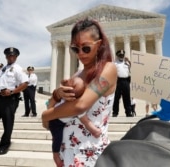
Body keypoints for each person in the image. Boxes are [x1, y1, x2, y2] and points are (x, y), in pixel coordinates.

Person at [42, 18, 117, 167]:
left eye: (86, 48)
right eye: (76, 49)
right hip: (66, 149)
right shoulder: (76, 75)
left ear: (100, 44)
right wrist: (57, 94)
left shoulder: (108, 69)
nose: (80, 54)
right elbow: (52, 108)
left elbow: (80, 105)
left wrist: (45, 116)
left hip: (89, 151)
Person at [43, 76, 102, 167]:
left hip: (57, 123)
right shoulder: (72, 105)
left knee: (57, 139)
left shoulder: (75, 107)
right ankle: (56, 155)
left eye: (70, 82)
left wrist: (94, 130)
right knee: (57, 139)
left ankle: (56, 154)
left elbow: (86, 122)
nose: (68, 80)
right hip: (56, 123)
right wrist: (95, 130)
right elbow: (86, 122)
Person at [112, 50, 134, 117]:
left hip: (126, 81)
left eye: (122, 55)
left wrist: (129, 61)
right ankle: (115, 112)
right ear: (117, 56)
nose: (122, 56)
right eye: (120, 55)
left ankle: (128, 112)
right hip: (118, 81)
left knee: (127, 98)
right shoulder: (115, 63)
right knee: (116, 97)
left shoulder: (127, 63)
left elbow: (135, 68)